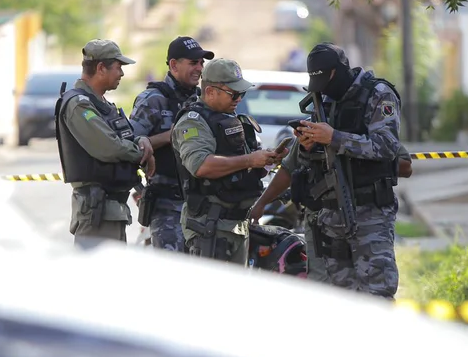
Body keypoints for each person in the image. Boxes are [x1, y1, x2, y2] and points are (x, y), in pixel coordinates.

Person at [287, 43, 404, 299]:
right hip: (333, 214)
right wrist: (309, 145)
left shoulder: (378, 94)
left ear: (336, 72)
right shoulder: (325, 100)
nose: (323, 91)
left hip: (369, 212)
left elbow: (386, 147)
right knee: (341, 300)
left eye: (325, 82)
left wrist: (335, 137)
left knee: (376, 294)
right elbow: (318, 158)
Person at [251, 132, 412, 282]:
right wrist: (261, 203)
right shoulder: (313, 127)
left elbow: (405, 166)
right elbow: (287, 170)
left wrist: (349, 149)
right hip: (321, 224)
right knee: (324, 286)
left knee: (374, 287)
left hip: (367, 220)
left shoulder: (367, 126)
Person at [172, 58, 283, 264]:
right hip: (210, 226)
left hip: (236, 224)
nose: (239, 99)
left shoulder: (230, 120)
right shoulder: (193, 121)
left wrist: (267, 160)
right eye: (234, 93)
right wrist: (250, 160)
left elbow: (246, 167)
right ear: (210, 92)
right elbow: (201, 165)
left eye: (242, 93)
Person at [56, 39, 154, 247]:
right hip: (96, 213)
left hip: (112, 211)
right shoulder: (78, 105)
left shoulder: (101, 105)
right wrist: (141, 153)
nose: (122, 73)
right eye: (118, 67)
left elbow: (123, 136)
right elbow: (109, 147)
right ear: (101, 68)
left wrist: (141, 140)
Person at [129, 36, 215, 252]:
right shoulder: (153, 100)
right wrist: (172, 135)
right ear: (174, 65)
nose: (199, 68)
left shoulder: (202, 101)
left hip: (201, 207)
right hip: (167, 207)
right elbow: (129, 147)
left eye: (201, 63)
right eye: (193, 62)